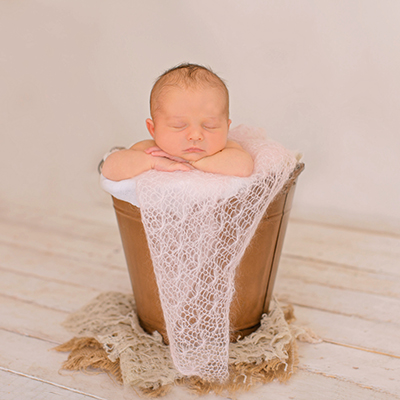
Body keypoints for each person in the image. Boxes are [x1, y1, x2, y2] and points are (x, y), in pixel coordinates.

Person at [101, 63, 254, 181]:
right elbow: (109, 168)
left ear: (226, 128)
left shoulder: (226, 150)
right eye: (179, 125)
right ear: (153, 129)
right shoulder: (150, 150)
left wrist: (195, 164)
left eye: (210, 125)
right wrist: (153, 162)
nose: (195, 135)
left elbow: (244, 167)